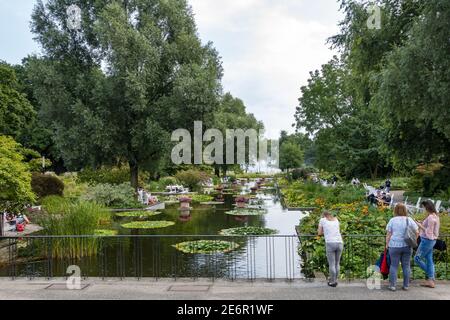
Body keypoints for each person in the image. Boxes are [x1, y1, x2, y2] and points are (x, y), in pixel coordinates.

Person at [385, 203, 419, 291]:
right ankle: (406, 285)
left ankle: (392, 285)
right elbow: (417, 232)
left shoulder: (392, 220)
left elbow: (388, 234)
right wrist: (413, 240)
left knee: (394, 266)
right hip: (407, 245)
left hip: (394, 245)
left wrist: (387, 244)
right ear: (405, 210)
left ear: (395, 210)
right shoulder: (409, 219)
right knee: (406, 266)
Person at [414, 200, 441, 288]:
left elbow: (428, 232)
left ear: (427, 207)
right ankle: (430, 281)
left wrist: (418, 224)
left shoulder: (430, 217)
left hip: (427, 241)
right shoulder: (435, 216)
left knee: (417, 258)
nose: (423, 209)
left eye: (424, 207)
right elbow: (431, 230)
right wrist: (422, 222)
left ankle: (431, 275)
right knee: (429, 260)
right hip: (432, 241)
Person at [318, 211, 344, 287]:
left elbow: (319, 233)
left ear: (324, 215)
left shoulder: (322, 220)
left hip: (330, 243)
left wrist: (325, 232)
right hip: (339, 242)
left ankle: (333, 282)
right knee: (337, 263)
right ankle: (335, 280)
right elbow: (337, 231)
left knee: (332, 264)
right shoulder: (336, 220)